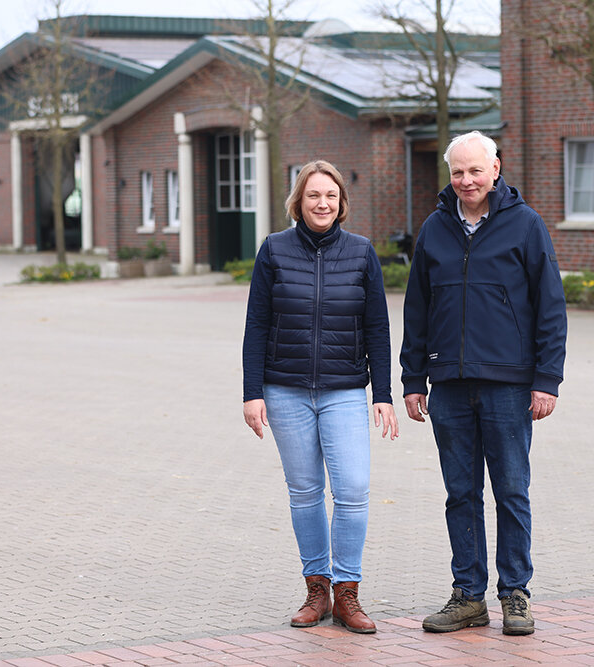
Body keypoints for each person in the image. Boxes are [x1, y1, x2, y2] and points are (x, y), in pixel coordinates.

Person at [400, 131, 567, 636]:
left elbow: (550, 308)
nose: (466, 181)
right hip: (448, 384)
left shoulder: (526, 225)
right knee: (460, 494)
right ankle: (468, 596)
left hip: (509, 386)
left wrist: (547, 379)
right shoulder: (434, 229)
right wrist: (413, 377)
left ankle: (515, 593)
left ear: (496, 169)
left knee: (512, 491)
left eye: (475, 170)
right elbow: (417, 308)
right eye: (457, 172)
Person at [242, 160, 399, 634]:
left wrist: (384, 392)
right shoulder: (273, 250)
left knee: (351, 490)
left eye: (330, 195)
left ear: (341, 202)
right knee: (305, 493)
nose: (322, 203)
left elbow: (377, 326)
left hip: (345, 390)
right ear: (298, 201)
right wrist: (252, 393)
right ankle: (317, 591)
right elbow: (256, 325)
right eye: (313, 195)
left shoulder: (361, 252)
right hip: (284, 389)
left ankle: (347, 593)